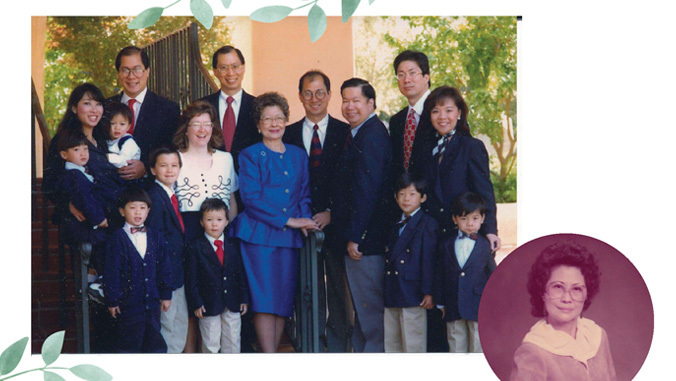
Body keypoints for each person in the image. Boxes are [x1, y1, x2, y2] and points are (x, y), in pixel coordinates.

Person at [231, 92, 317, 352]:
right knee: (264, 300)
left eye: (279, 118)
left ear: (286, 121)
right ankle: (268, 359)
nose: (274, 123)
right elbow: (252, 198)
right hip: (259, 236)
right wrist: (289, 220)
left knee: (283, 301)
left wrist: (304, 220)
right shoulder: (250, 154)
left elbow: (303, 193)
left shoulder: (298, 155)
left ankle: (274, 357)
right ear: (258, 125)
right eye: (267, 119)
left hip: (289, 238)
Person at [282, 70, 351, 352]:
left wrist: (331, 213)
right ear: (299, 96)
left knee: (337, 289)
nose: (314, 99)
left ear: (329, 95)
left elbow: (351, 182)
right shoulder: (286, 134)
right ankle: (307, 344)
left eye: (320, 92)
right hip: (299, 224)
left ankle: (336, 347)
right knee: (303, 289)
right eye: (308, 93)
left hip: (335, 224)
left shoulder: (346, 132)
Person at [172, 100, 239, 352]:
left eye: (207, 124)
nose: (202, 130)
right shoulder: (175, 158)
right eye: (195, 124)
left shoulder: (225, 159)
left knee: (217, 299)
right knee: (192, 299)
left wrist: (226, 234)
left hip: (219, 234)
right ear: (186, 128)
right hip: (187, 232)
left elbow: (231, 199)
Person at [332, 78, 393, 352]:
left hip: (366, 242)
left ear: (371, 104)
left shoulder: (372, 135)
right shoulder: (359, 133)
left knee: (371, 317)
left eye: (356, 100)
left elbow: (367, 190)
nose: (349, 106)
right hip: (362, 238)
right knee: (363, 312)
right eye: (345, 100)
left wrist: (356, 236)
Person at [510, 242, 617, 380]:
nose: (567, 298)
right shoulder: (533, 350)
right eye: (558, 287)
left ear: (586, 294)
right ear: (543, 291)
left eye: (577, 289)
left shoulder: (598, 336)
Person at [422, 86, 501, 252]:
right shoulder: (427, 148)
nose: (442, 117)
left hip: (461, 235)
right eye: (436, 111)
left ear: (459, 114)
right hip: (432, 236)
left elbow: (484, 191)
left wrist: (490, 231)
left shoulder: (471, 146)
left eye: (449, 110)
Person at [43, 83, 123, 232]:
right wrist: (68, 204)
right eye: (87, 103)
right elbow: (49, 184)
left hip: (113, 212)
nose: (94, 110)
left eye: (98, 104)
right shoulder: (65, 140)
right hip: (90, 223)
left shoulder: (103, 139)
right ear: (74, 108)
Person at [103, 187, 173, 353]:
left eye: (142, 208)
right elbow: (112, 271)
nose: (137, 213)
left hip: (152, 303)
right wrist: (112, 300)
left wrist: (166, 294)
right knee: (129, 344)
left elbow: (164, 267)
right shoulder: (117, 238)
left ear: (148, 211)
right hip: (128, 306)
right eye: (132, 207)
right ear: (122, 211)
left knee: (154, 342)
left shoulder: (156, 236)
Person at [185, 198, 249, 353]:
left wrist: (244, 298)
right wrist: (196, 303)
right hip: (209, 304)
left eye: (219, 220)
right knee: (210, 342)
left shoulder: (233, 245)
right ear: (201, 222)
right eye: (209, 220)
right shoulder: (195, 247)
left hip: (232, 302)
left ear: (227, 222)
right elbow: (191, 278)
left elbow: (240, 273)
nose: (214, 224)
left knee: (233, 340)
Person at [107, 46, 181, 181]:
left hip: (149, 189)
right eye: (125, 70)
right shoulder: (106, 107)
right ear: (118, 73)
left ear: (147, 71)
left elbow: (171, 150)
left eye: (137, 69)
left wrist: (146, 167)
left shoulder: (167, 109)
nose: (131, 76)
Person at [435, 192, 496, 353]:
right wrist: (440, 302)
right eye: (463, 218)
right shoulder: (446, 245)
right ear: (454, 219)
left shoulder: (485, 246)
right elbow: (440, 275)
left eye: (475, 218)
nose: (469, 223)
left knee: (478, 342)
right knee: (455, 342)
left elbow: (493, 275)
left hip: (478, 304)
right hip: (453, 303)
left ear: (483, 218)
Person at [383, 174, 438, 353]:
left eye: (412, 194)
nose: (406, 199)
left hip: (413, 293)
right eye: (401, 194)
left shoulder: (428, 223)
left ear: (423, 197)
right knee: (393, 343)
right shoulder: (396, 223)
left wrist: (428, 291)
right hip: (393, 290)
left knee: (413, 343)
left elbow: (429, 260)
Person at [145, 147, 188, 353]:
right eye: (163, 166)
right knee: (169, 329)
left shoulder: (172, 194)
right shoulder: (154, 196)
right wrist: (164, 286)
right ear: (153, 169)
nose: (169, 170)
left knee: (178, 326)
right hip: (165, 278)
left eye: (174, 165)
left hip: (177, 274)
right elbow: (157, 244)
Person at [200, 45, 259, 169]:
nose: (230, 73)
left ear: (243, 68)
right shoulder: (202, 106)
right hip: (212, 179)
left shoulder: (258, 106)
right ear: (215, 72)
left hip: (248, 180)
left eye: (235, 66)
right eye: (223, 68)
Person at [389, 50, 436, 182]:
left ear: (426, 77)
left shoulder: (442, 114)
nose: (406, 80)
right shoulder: (397, 121)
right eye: (401, 75)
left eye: (412, 73)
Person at [105, 101, 141, 170]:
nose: (117, 128)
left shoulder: (128, 142)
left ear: (128, 126)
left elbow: (124, 160)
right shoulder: (108, 139)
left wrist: (107, 157)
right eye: (113, 123)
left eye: (122, 124)